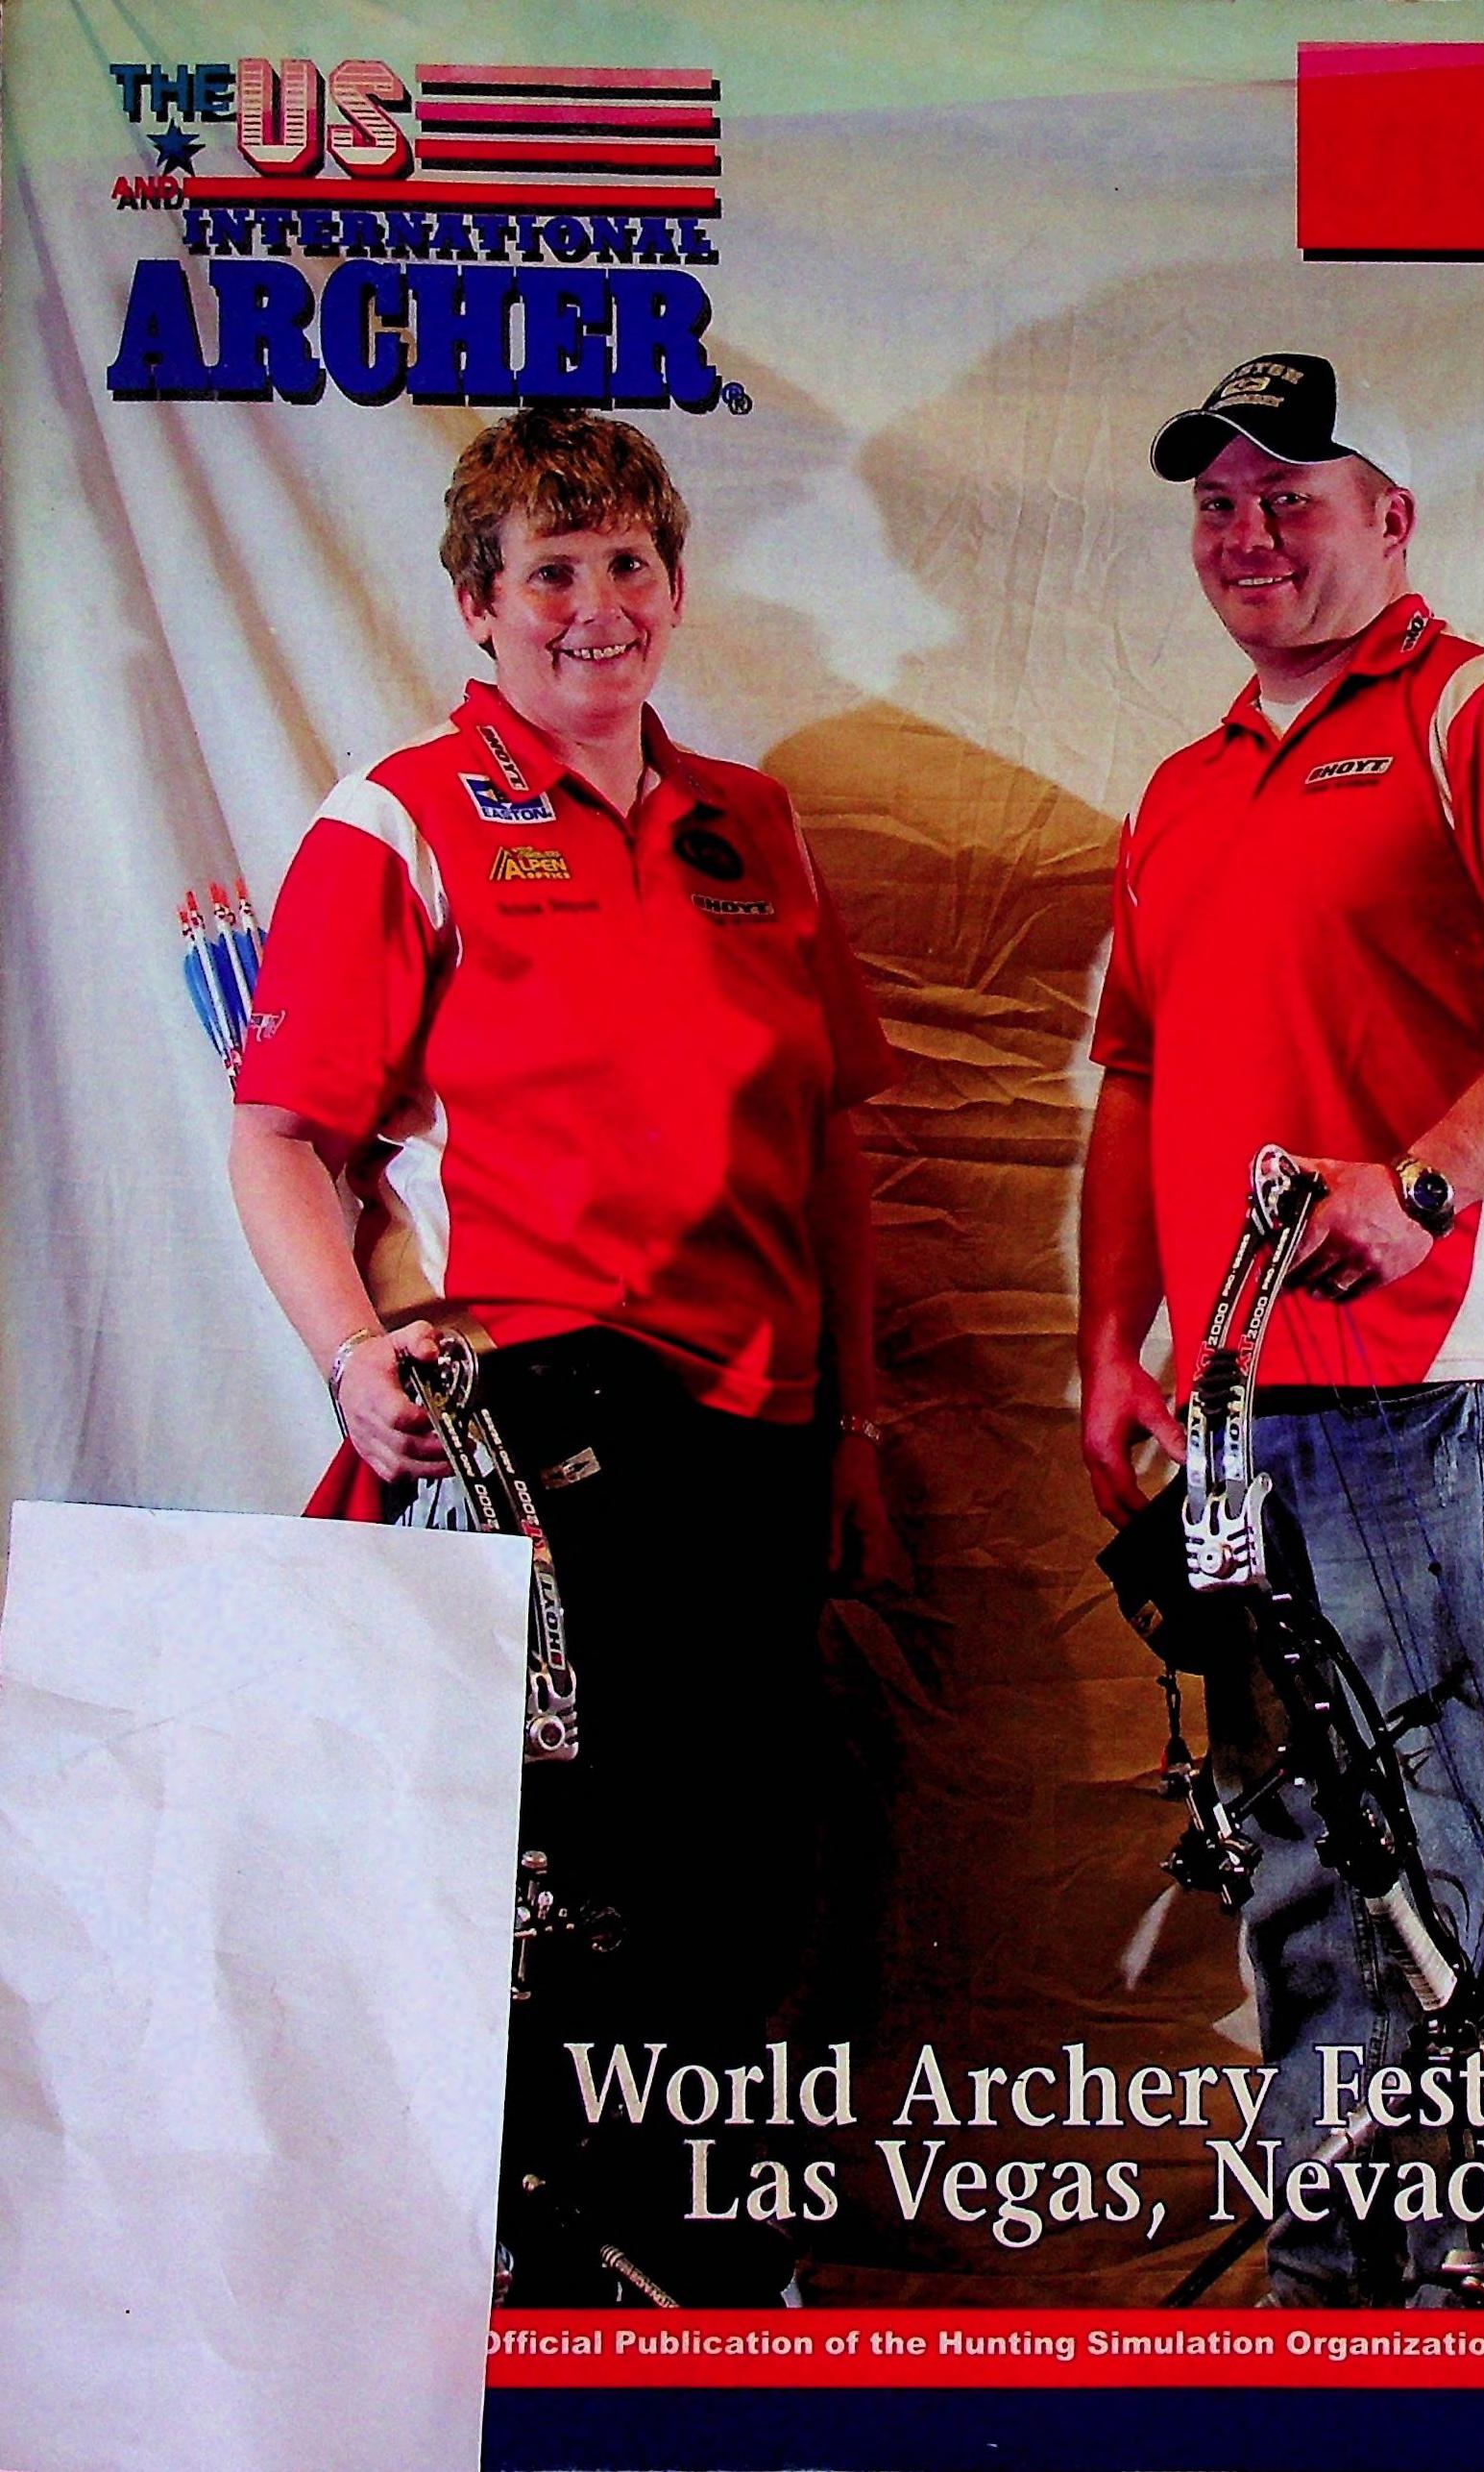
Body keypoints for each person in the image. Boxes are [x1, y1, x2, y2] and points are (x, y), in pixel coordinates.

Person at [230, 406, 896, 2304]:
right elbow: (279, 1134)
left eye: (627, 564)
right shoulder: (400, 819)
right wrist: (352, 1355)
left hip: (761, 1422)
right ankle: (538, 2299)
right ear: (477, 603)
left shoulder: (749, 823)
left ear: (673, 586)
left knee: (746, 1876)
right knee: (573, 1884)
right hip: (542, 1405)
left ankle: (702, 2295)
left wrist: (854, 1419)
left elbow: (832, 1139)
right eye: (550, 571)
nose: (595, 607)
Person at [1078, 353, 1484, 2303]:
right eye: (1217, 502)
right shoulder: (1179, 791)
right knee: (1308, 1887)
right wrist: (1110, 1348)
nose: (1248, 532)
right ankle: (1335, 2312)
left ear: (1390, 520)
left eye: (1293, 495)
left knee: (1477, 1868)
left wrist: (1425, 1182)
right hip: (1241, 1428)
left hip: (1445, 1392)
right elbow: (1137, 1079)